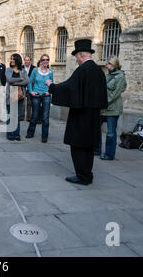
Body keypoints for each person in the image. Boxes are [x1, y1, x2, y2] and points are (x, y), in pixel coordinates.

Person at [45, 39, 107, 185]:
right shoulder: (99, 70)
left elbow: (69, 88)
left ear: (80, 55)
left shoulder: (83, 70)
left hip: (81, 116)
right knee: (89, 147)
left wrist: (52, 86)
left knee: (78, 146)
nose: (76, 60)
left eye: (76, 58)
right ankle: (88, 175)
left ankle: (82, 176)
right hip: (93, 116)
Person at [94, 56, 127, 160]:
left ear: (113, 64)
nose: (105, 65)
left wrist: (103, 102)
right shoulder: (108, 75)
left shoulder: (120, 76)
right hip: (103, 107)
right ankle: (97, 149)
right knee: (95, 128)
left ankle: (109, 154)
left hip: (113, 108)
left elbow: (116, 93)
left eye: (107, 64)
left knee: (111, 133)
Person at [26, 54, 54, 142]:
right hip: (36, 95)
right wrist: (31, 91)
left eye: (47, 59)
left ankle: (44, 137)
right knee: (34, 115)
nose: (45, 61)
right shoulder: (35, 70)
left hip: (46, 96)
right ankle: (30, 133)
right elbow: (29, 82)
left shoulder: (50, 72)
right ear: (40, 61)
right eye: (44, 59)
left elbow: (52, 83)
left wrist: (49, 91)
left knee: (45, 117)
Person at [6, 54, 29, 141]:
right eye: (11, 59)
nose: (11, 60)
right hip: (11, 95)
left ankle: (16, 134)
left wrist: (15, 83)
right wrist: (21, 79)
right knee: (11, 115)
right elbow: (9, 80)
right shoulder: (8, 70)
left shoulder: (23, 70)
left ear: (17, 60)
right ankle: (10, 134)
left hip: (20, 95)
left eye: (13, 59)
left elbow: (27, 80)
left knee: (17, 116)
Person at [20, 55, 35, 122]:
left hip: (30, 87)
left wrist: (30, 87)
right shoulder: (21, 68)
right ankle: (21, 117)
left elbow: (34, 78)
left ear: (30, 61)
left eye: (28, 60)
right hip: (22, 87)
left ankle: (29, 117)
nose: (26, 61)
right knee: (22, 103)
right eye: (25, 60)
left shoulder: (34, 68)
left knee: (29, 103)